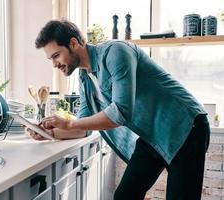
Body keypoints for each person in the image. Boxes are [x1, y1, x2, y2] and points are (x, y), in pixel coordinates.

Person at [29, 19, 210, 199]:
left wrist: (68, 124)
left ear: (73, 43)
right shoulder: (85, 79)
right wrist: (49, 133)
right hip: (152, 136)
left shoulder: (116, 52)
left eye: (56, 55)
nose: (54, 64)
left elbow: (121, 112)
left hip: (185, 126)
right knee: (125, 196)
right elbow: (81, 127)